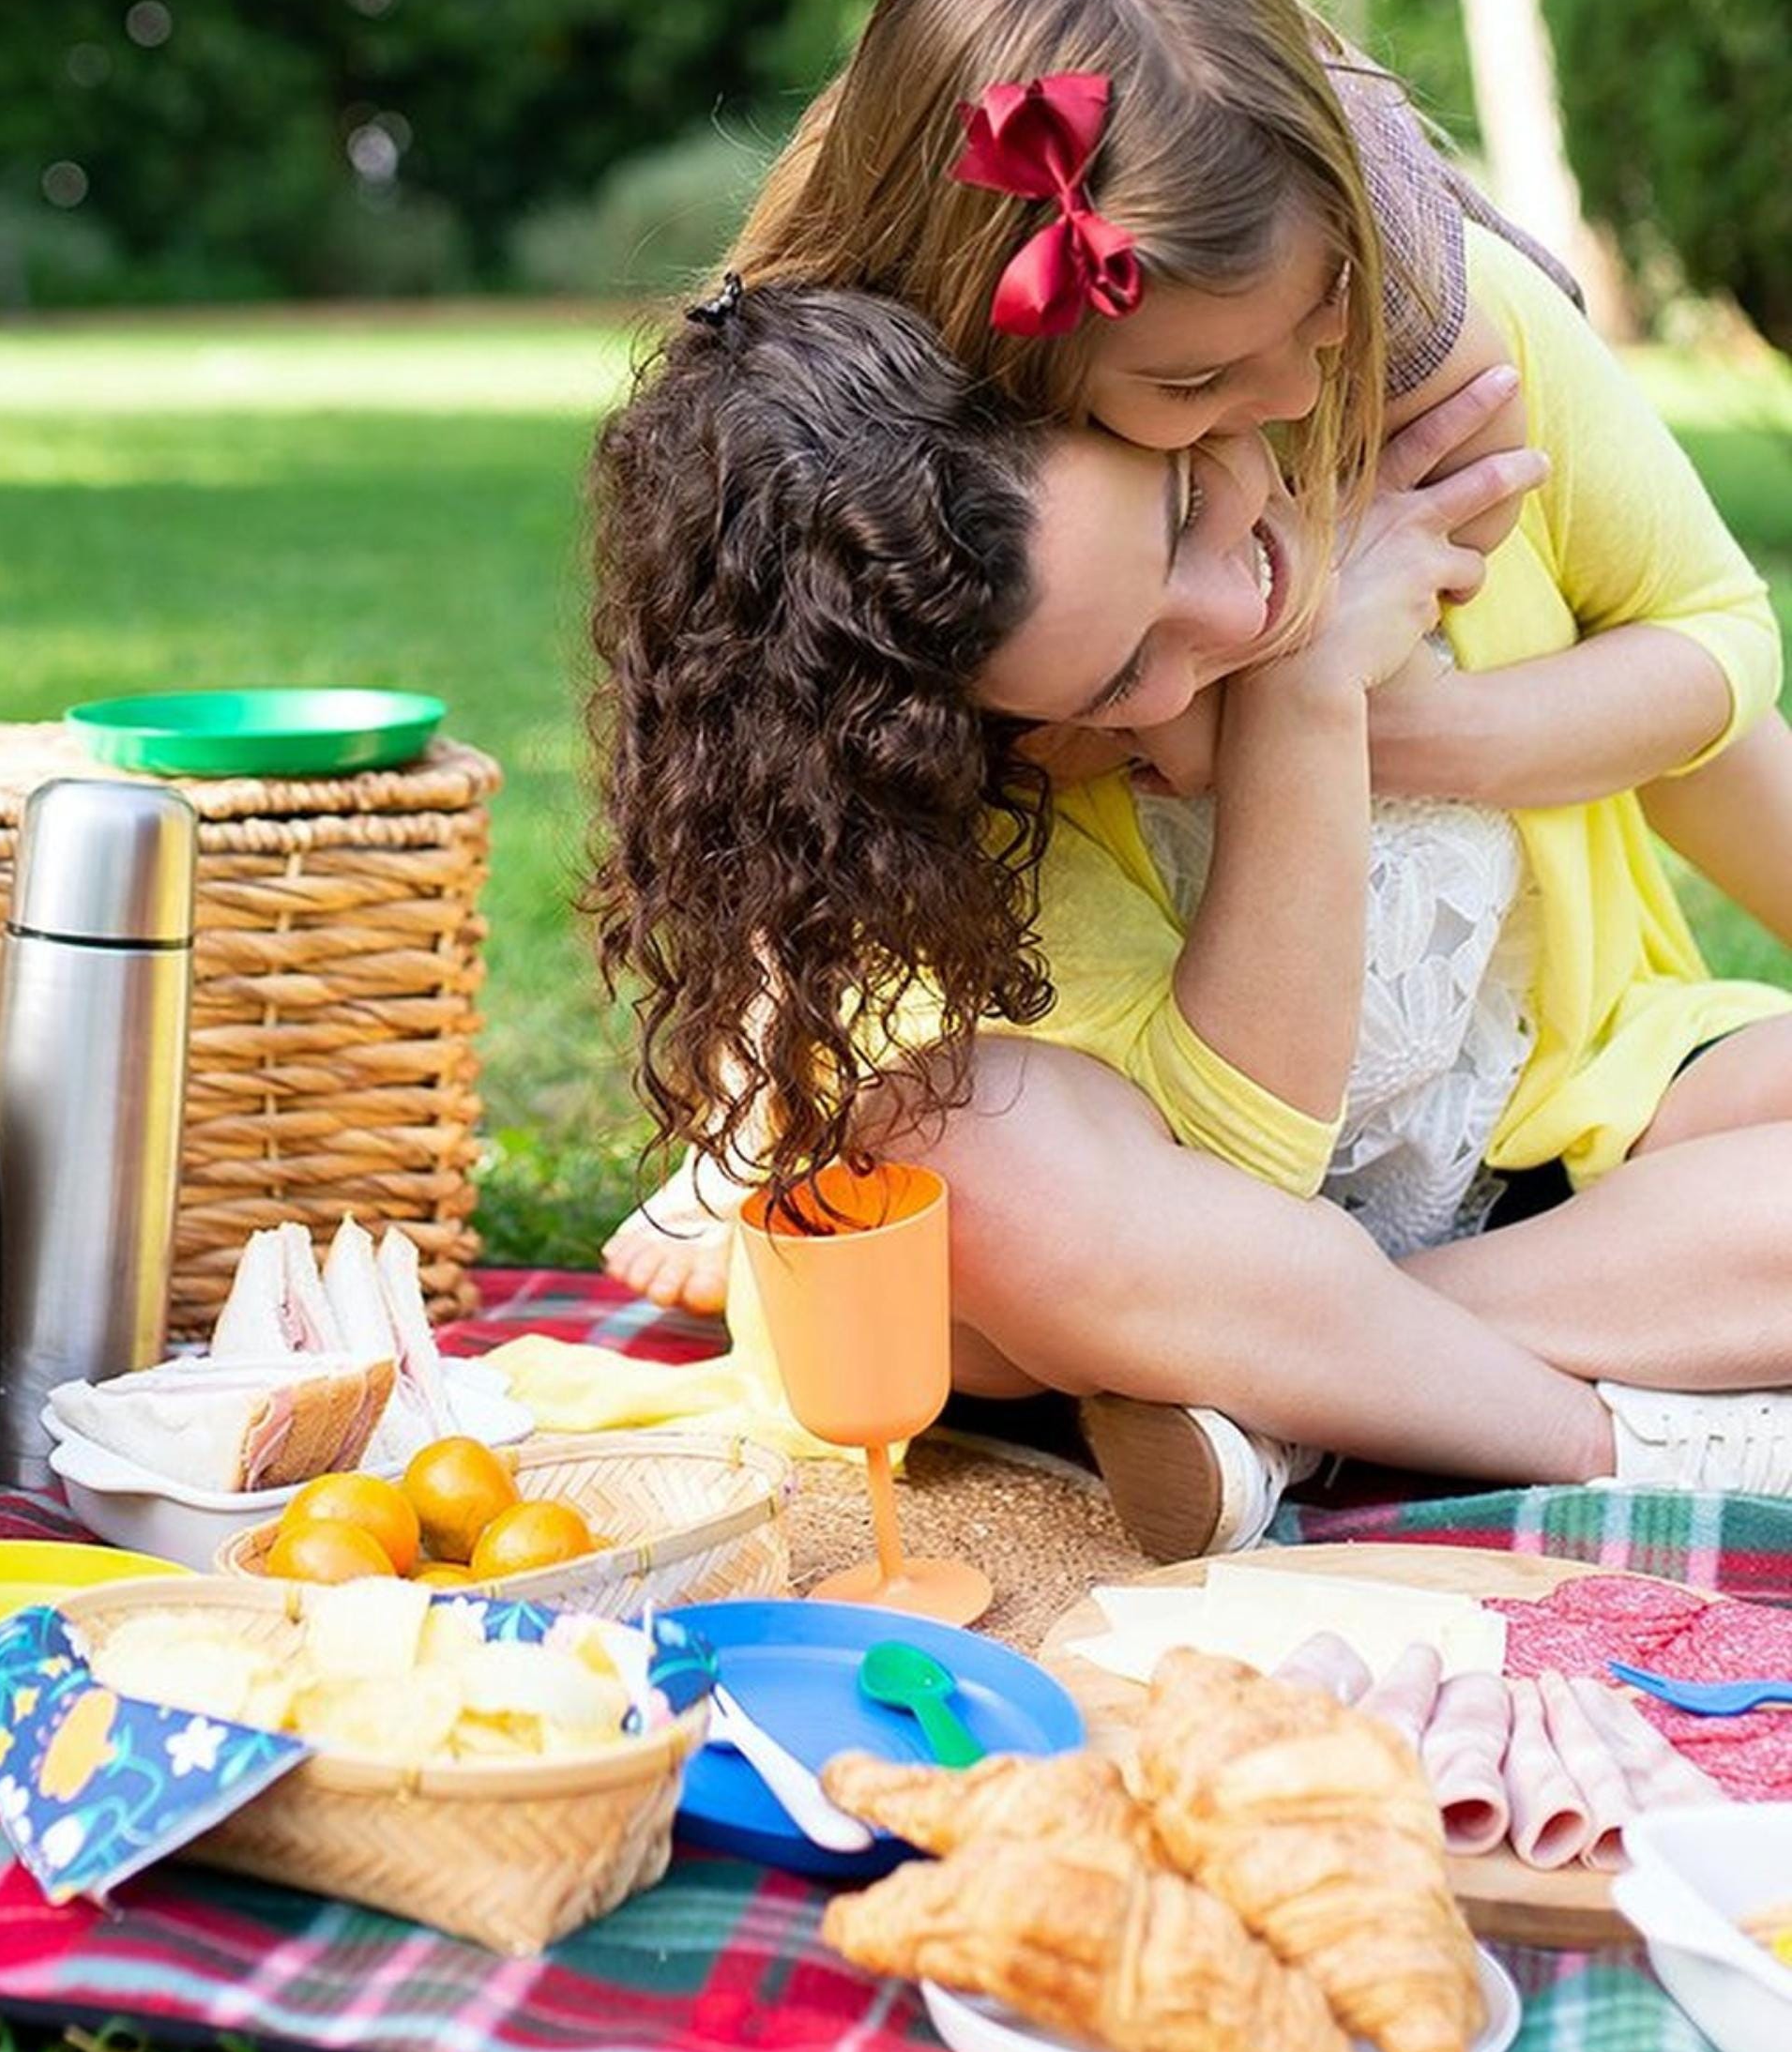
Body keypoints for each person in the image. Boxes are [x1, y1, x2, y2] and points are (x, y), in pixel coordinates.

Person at [597, 0, 1792, 1363]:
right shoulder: (949, 552)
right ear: (997, 351)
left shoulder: (1437, 364)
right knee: (954, 1228)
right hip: (1178, 1162)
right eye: (1191, 392)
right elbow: (804, 810)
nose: (1290, 395)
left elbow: (1722, 645)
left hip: (1554, 1100)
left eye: (1318, 318)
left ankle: (1322, 1360)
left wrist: (1404, 726)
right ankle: (1329, 1341)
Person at [563, 273, 1792, 1553]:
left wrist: (1415, 723)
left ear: (1145, 393)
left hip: (1564, 1141)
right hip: (1170, 1246)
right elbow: (1247, 1173)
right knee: (961, 1153)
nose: (1233, 608)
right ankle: (1619, 1435)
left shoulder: (1429, 396)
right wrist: (1303, 699)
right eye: (1119, 673)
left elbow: (1711, 687)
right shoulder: (977, 751)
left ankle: (1292, 1405)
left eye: (1185, 507)